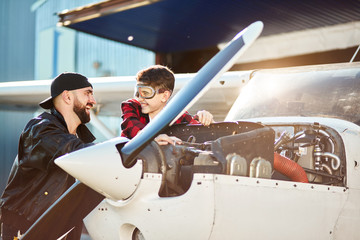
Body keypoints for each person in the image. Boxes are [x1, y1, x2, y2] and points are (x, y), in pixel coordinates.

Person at [0, 72, 97, 240]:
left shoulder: (76, 139)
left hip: (58, 229)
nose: (93, 100)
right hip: (27, 227)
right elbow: (73, 152)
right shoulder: (40, 129)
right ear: (67, 96)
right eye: (87, 93)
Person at [121, 65, 214, 145]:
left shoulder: (178, 116)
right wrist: (151, 140)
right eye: (138, 93)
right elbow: (130, 125)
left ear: (164, 96)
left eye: (145, 92)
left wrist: (207, 120)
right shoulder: (132, 106)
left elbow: (204, 133)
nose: (140, 98)